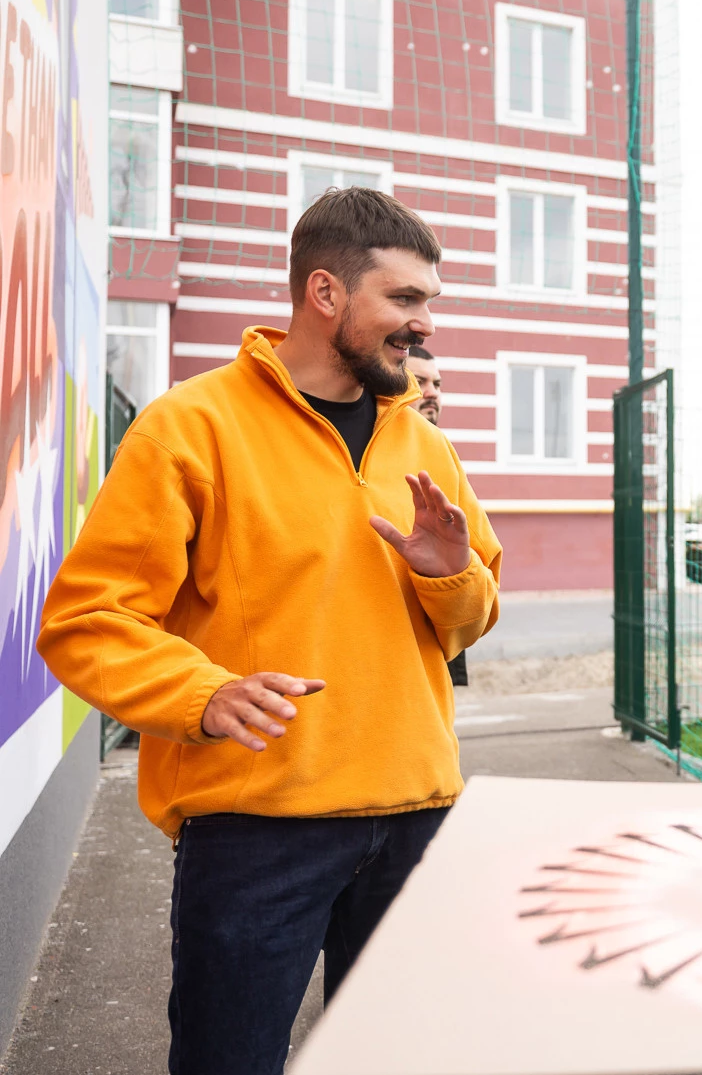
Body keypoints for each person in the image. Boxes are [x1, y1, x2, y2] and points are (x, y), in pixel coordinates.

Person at [38, 187, 503, 1075]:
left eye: (428, 303)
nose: (424, 326)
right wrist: (203, 695)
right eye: (404, 301)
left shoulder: (425, 443)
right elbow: (86, 619)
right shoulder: (191, 426)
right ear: (324, 293)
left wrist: (452, 574)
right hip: (259, 834)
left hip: (415, 815)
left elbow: (469, 621)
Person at [406, 343, 467, 687]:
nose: (432, 394)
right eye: (419, 382)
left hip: (437, 640)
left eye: (438, 385)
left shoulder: (442, 453)